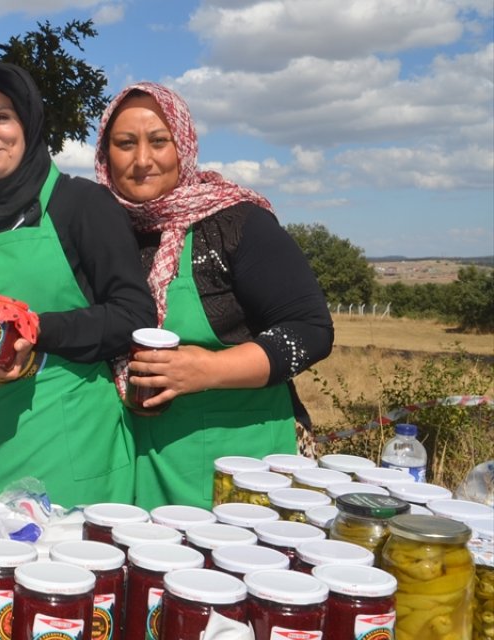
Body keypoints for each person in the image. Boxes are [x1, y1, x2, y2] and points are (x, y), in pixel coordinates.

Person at [94, 81, 333, 509]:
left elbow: (311, 330)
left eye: (159, 141)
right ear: (105, 155)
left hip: (242, 466)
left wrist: (207, 370)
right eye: (125, 144)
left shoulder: (235, 224)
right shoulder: (100, 232)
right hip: (137, 464)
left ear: (183, 145)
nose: (142, 160)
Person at [0, 63, 156, 507]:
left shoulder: (82, 205)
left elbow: (134, 315)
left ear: (29, 122)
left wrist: (37, 330)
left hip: (69, 452)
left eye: (1, 117)